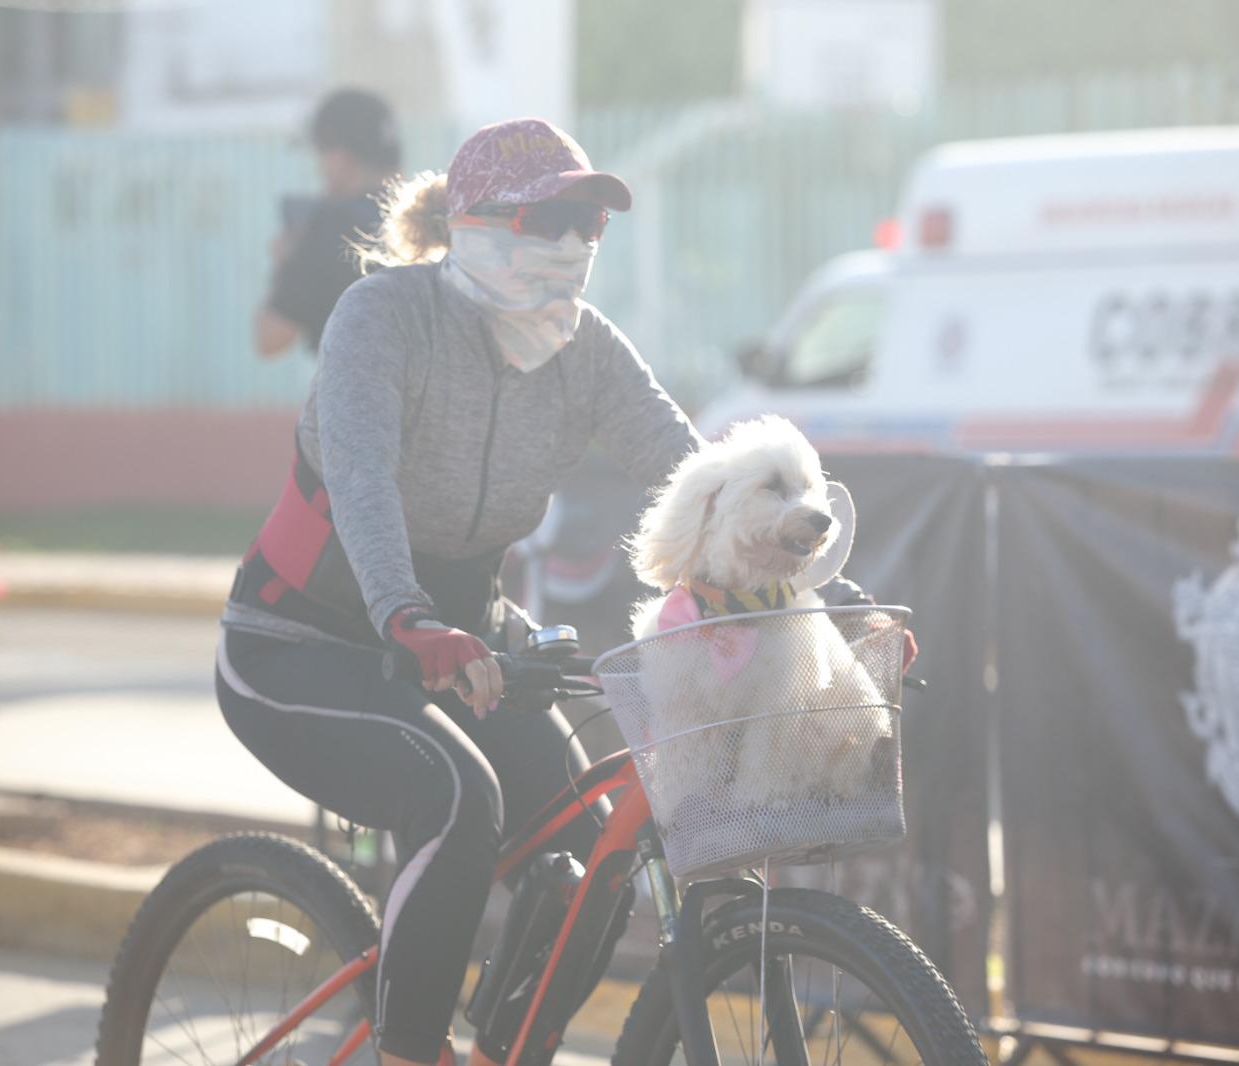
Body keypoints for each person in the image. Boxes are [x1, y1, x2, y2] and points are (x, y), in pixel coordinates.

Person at [216, 117, 906, 1066]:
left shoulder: (585, 352)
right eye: (557, 218)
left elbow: (709, 483)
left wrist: (843, 605)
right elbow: (362, 482)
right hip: (304, 641)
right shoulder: (382, 317)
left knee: (596, 866)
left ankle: (508, 1048)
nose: (578, 242)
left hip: (466, 649)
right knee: (460, 799)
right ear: (479, 225)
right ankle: (408, 1052)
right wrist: (407, 617)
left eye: (592, 223)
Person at [254, 88, 401, 357]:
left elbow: (271, 338)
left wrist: (286, 264)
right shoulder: (428, 219)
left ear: (339, 157)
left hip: (358, 395)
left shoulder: (334, 227)